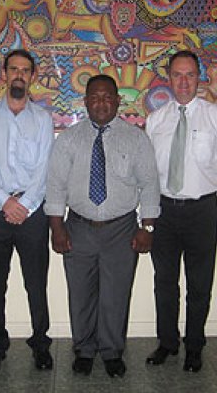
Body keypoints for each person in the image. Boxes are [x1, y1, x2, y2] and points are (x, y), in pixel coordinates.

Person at [45, 75, 160, 378]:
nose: (101, 103)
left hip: (122, 228)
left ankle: (111, 351)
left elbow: (150, 186)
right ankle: (83, 350)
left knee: (116, 294)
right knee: (80, 294)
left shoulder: (136, 139)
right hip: (78, 227)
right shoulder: (68, 139)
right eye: (94, 97)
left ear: (118, 101)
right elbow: (55, 186)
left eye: (107, 97)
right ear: (85, 102)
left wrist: (146, 229)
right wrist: (57, 229)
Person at [0, 49, 54, 373]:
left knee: (36, 283)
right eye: (14, 69)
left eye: (25, 70)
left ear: (32, 76)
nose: (19, 75)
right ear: (4, 74)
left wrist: (25, 205)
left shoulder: (44, 120)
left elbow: (45, 170)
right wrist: (5, 202)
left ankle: (40, 345)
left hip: (33, 211)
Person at [145, 50, 217, 373]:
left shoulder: (214, 117)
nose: (184, 82)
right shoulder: (155, 120)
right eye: (178, 75)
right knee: (165, 281)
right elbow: (147, 176)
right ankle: (167, 343)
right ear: (169, 78)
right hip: (164, 213)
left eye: (190, 75)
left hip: (204, 210)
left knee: (199, 284)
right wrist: (143, 219)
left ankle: (194, 347)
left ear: (198, 78)